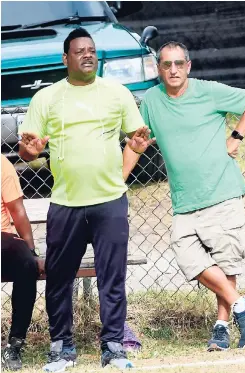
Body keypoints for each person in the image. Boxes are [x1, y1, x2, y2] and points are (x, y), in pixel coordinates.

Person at [18, 27, 154, 372]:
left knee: (113, 276)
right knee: (59, 278)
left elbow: (136, 140)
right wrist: (31, 153)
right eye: (79, 51)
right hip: (65, 203)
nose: (87, 55)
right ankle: (61, 349)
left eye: (92, 50)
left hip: (110, 201)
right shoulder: (46, 98)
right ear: (66, 58)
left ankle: (113, 347)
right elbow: (31, 154)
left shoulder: (117, 93)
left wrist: (127, 164)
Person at [140, 41, 245, 352]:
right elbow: (138, 141)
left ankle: (222, 327)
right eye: (167, 64)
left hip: (221, 191)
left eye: (179, 63)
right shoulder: (152, 101)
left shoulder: (207, 91)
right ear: (158, 68)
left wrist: (236, 137)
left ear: (189, 66)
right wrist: (117, 181)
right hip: (184, 200)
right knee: (187, 257)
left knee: (226, 263)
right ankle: (242, 306)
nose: (173, 70)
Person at [1, 155, 45, 371]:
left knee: (26, 264)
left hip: (2, 238)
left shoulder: (2, 164)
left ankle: (14, 344)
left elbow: (17, 211)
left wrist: (31, 252)